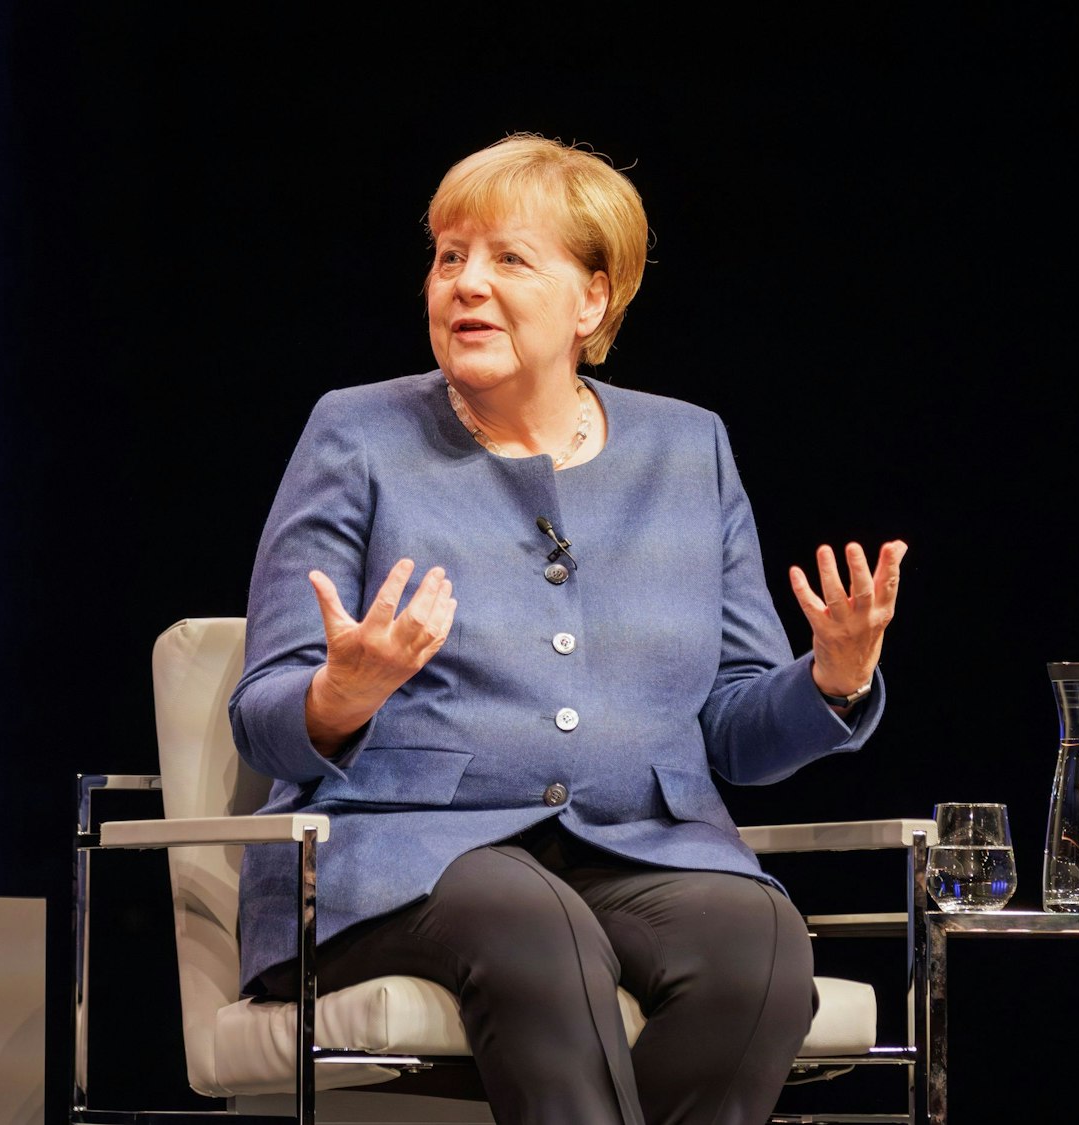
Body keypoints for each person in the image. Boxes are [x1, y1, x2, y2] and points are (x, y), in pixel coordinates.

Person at [229, 134, 907, 1125]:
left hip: (641, 847)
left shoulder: (688, 447)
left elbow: (730, 732)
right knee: (531, 925)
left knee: (754, 944)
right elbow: (263, 713)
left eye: (508, 259)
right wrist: (343, 693)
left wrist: (828, 682)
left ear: (593, 299)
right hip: (402, 852)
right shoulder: (357, 434)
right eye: (447, 255)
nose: (464, 284)